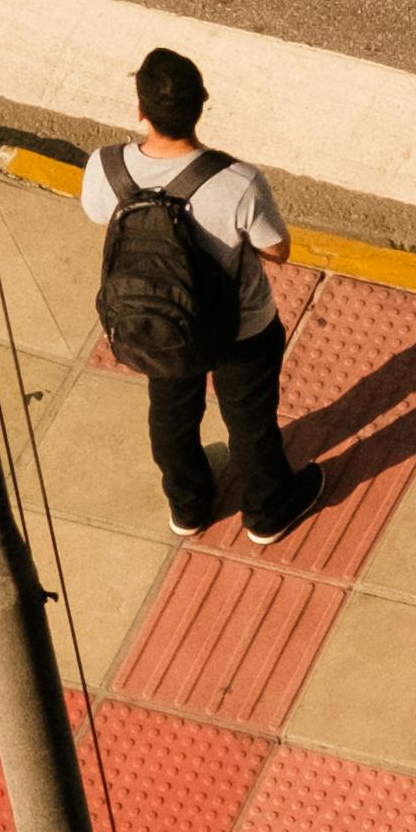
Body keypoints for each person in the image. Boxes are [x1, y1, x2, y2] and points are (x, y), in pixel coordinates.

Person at [83, 45, 306, 540]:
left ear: (140, 110)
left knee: (171, 412)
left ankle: (187, 506)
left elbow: (107, 225)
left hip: (159, 323)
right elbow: (277, 250)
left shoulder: (105, 167)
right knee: (249, 420)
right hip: (241, 326)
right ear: (201, 105)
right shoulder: (238, 181)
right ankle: (266, 513)